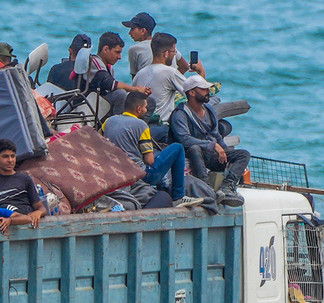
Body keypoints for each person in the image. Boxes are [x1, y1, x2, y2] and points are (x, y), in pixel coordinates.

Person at [101, 91, 203, 208]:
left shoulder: (108, 121)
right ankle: (178, 197)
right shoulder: (141, 125)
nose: (146, 110)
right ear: (139, 109)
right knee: (177, 148)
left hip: (116, 170)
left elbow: (101, 141)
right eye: (145, 107)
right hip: (140, 174)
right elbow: (149, 161)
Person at [169, 76, 249, 207]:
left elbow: (215, 134)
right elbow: (184, 139)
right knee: (195, 148)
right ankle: (206, 188)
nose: (208, 92)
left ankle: (227, 186)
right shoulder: (180, 114)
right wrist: (211, 145)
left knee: (243, 154)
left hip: (212, 154)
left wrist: (224, 150)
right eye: (203, 89)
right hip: (195, 155)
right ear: (192, 93)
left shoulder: (209, 110)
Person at [133, 33, 205, 124]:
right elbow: (198, 93)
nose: (174, 54)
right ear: (166, 53)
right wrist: (201, 72)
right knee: (213, 101)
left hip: (143, 124)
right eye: (174, 51)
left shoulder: (139, 74)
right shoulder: (170, 72)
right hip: (164, 125)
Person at [0, 139, 47, 233]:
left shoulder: (25, 179)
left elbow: (41, 207)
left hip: (24, 228)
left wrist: (38, 213)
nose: (10, 160)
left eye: (13, 156)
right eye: (5, 157)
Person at [76, 32, 151, 111]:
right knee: (120, 94)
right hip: (89, 106)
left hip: (101, 104)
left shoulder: (109, 68)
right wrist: (135, 89)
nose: (119, 57)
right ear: (106, 49)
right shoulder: (94, 62)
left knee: (144, 101)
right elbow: (110, 84)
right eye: (117, 52)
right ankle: (117, 121)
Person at [123, 12, 192, 78]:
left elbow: (135, 78)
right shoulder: (166, 45)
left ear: (143, 31)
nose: (129, 33)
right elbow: (185, 66)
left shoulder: (134, 49)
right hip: (171, 87)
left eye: (132, 29)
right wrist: (173, 80)